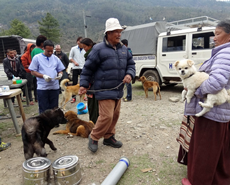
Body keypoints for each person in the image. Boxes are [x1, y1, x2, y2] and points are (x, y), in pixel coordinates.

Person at [177, 19, 230, 185]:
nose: (214, 38)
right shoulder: (222, 52)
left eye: (217, 34)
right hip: (217, 110)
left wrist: (196, 91)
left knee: (205, 149)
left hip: (213, 111)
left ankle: (200, 181)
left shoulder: (225, 53)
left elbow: (217, 82)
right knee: (217, 149)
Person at [79, 18, 136, 153]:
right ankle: (94, 137)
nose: (119, 34)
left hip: (118, 88)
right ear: (108, 33)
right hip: (104, 89)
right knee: (107, 116)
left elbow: (131, 64)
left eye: (119, 31)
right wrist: (83, 84)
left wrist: (130, 74)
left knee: (115, 115)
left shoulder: (123, 49)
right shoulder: (98, 49)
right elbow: (88, 69)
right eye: (116, 31)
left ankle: (109, 137)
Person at [29, 40, 65, 114]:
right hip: (43, 87)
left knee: (54, 107)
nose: (50, 53)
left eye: (52, 51)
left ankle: (54, 122)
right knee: (44, 108)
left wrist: (60, 74)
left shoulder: (55, 58)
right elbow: (33, 71)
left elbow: (60, 69)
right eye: (48, 51)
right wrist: (43, 76)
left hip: (54, 87)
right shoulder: (37, 58)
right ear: (43, 48)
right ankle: (44, 124)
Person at [80, 38, 99, 124]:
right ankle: (95, 123)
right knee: (93, 105)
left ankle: (94, 124)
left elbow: (89, 71)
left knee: (93, 106)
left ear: (90, 46)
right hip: (93, 83)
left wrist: (87, 83)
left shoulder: (92, 55)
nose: (84, 49)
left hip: (93, 84)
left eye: (85, 47)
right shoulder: (93, 53)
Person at [31, 35, 47, 102]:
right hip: (41, 75)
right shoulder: (40, 52)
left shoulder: (33, 50)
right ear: (42, 43)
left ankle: (37, 98)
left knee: (36, 88)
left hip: (35, 74)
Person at [69, 36, 86, 103]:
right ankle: (73, 98)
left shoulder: (85, 49)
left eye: (81, 41)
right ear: (77, 42)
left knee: (83, 82)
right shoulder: (73, 48)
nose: (80, 43)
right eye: (79, 41)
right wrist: (74, 62)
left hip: (83, 67)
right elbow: (70, 57)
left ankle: (83, 96)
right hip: (75, 67)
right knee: (74, 82)